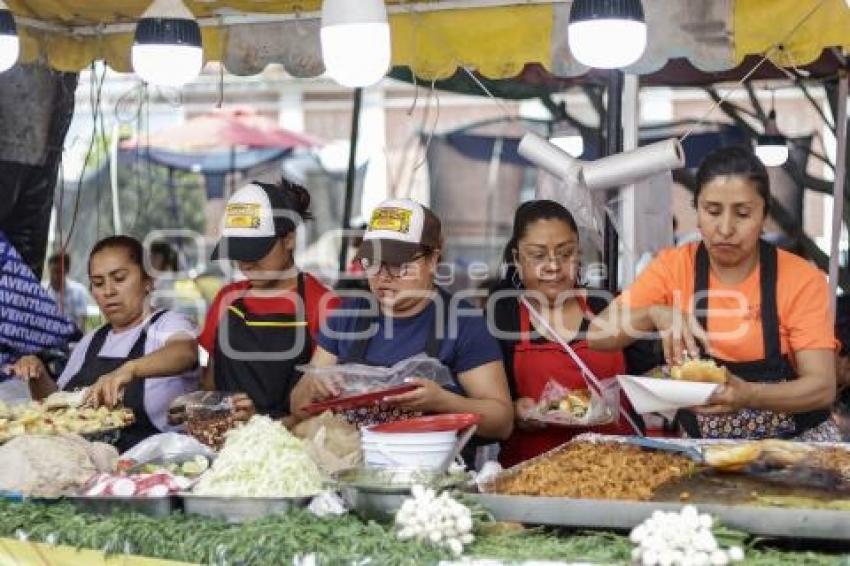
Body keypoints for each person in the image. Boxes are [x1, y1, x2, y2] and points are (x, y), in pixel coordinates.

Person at [589, 146, 839, 441]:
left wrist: (750, 395)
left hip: (797, 448)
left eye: (743, 213)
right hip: (705, 450)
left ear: (764, 216)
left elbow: (822, 388)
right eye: (713, 211)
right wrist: (653, 313)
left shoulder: (800, 278)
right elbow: (597, 335)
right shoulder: (673, 267)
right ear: (697, 212)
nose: (725, 228)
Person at [289, 198, 513, 442]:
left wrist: (444, 402)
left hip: (430, 472)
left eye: (398, 265)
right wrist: (315, 385)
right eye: (373, 263)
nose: (383, 276)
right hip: (350, 467)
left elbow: (501, 422)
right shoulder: (348, 317)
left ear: (433, 261)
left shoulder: (463, 324)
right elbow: (297, 406)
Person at [12, 236, 200, 450]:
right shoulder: (91, 341)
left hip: (148, 465)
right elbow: (57, 408)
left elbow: (185, 352)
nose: (108, 291)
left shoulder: (168, 324)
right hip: (87, 462)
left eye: (119, 278)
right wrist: (38, 375)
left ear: (148, 280)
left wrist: (130, 369)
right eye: (98, 283)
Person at [488, 200, 636, 467]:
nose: (554, 266)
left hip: (617, 470)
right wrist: (514, 410)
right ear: (516, 259)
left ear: (578, 255)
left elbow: (646, 378)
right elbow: (485, 405)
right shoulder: (502, 316)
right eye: (538, 255)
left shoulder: (606, 305)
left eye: (566, 253)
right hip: (532, 476)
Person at [199, 179, 339, 423]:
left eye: (255, 250)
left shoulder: (323, 305)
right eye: (238, 252)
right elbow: (211, 385)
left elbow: (324, 409)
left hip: (289, 447)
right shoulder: (227, 300)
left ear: (289, 240)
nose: (245, 263)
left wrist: (260, 426)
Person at [45, 252, 94, 332]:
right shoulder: (42, 289)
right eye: (53, 271)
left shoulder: (78, 291)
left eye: (59, 272)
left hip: (69, 337)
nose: (55, 276)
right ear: (49, 269)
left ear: (67, 271)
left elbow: (81, 322)